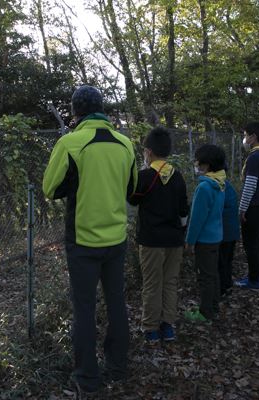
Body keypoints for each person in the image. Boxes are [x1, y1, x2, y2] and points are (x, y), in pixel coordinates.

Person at [42, 85, 137, 393]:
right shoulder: (126, 144)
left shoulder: (71, 142)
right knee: (116, 302)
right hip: (116, 237)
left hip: (83, 241)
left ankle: (88, 379)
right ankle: (118, 367)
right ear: (103, 109)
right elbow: (131, 189)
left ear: (75, 112)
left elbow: (50, 188)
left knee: (83, 308)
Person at [128, 127, 189, 344]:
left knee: (152, 284)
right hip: (174, 239)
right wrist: (182, 233)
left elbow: (133, 200)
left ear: (148, 151)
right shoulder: (178, 176)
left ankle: (151, 328)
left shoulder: (145, 176)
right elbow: (184, 210)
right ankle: (168, 327)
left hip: (151, 240)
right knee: (170, 282)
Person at [184, 144, 227, 323]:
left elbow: (196, 219)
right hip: (216, 236)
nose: (196, 165)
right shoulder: (221, 182)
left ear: (207, 165)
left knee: (205, 277)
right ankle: (213, 307)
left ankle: (205, 313)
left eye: (198, 162)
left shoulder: (204, 188)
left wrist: (189, 241)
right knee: (213, 274)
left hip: (204, 239)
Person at [235, 122, 259, 290]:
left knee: (251, 244)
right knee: (255, 242)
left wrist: (242, 208)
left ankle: (254, 280)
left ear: (253, 136)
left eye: (245, 134)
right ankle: (255, 276)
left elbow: (250, 184)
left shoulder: (255, 157)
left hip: (254, 206)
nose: (245, 138)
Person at [218, 173, 241, 297]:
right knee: (227, 260)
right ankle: (227, 285)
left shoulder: (220, 186)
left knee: (222, 262)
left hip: (224, 231)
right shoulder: (228, 186)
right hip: (231, 231)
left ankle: (222, 288)